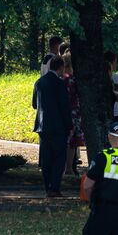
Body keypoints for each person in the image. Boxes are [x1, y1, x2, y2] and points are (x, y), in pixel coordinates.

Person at [33, 56, 72, 197]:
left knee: (46, 158)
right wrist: (69, 125)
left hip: (42, 125)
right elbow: (64, 107)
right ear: (60, 67)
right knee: (59, 157)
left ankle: (47, 185)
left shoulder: (39, 82)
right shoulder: (60, 84)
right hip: (58, 126)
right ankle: (54, 187)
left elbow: (34, 104)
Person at [62, 54, 85, 175]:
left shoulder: (61, 79)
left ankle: (66, 167)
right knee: (72, 143)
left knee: (67, 141)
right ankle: (69, 167)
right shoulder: (72, 79)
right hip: (74, 113)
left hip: (64, 112)